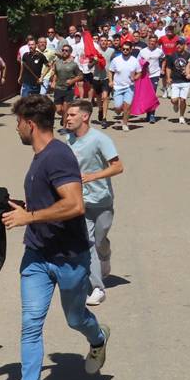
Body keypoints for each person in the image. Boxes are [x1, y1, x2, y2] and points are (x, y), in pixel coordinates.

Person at [1, 96, 110, 380]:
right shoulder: (41, 156)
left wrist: (30, 217)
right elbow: (49, 201)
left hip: (69, 258)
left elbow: (75, 205)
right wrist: (16, 207)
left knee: (75, 318)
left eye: (18, 122)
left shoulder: (58, 155)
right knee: (31, 324)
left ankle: (98, 338)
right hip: (37, 254)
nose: (16, 128)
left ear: (30, 124)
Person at [65, 101, 124, 305]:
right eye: (67, 115)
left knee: (100, 241)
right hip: (80, 201)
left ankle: (105, 256)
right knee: (88, 242)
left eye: (72, 115)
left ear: (85, 116)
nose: (68, 118)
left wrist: (93, 176)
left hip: (102, 200)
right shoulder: (68, 139)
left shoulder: (100, 139)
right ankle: (98, 288)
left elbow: (118, 167)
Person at [107, 42, 140, 131]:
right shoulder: (116, 60)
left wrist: (135, 78)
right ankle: (118, 110)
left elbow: (139, 72)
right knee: (118, 107)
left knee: (127, 107)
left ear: (131, 50)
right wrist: (110, 81)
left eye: (127, 49)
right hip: (118, 87)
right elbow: (110, 71)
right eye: (123, 49)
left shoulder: (134, 60)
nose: (125, 51)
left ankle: (125, 124)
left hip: (129, 87)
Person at [50, 44, 81, 129]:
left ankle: (64, 127)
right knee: (59, 110)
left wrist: (72, 81)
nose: (64, 52)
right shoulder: (57, 63)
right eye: (63, 50)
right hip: (58, 88)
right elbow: (55, 74)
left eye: (66, 50)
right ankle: (64, 117)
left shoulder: (74, 64)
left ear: (70, 52)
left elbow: (80, 76)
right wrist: (53, 82)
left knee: (66, 109)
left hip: (69, 89)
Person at [164, 39, 190, 123]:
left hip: (185, 81)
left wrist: (189, 73)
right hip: (175, 81)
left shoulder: (189, 55)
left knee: (183, 100)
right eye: (177, 44)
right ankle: (175, 104)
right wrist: (168, 78)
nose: (178, 46)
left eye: (180, 44)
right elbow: (168, 67)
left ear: (184, 45)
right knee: (174, 100)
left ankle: (181, 116)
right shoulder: (172, 55)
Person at [139, 35, 164, 123]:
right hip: (145, 76)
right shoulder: (142, 51)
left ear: (156, 42)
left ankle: (152, 114)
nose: (152, 43)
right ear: (148, 42)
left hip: (155, 75)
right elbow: (138, 62)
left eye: (154, 41)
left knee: (153, 95)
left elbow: (164, 59)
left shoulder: (159, 51)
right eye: (151, 41)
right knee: (147, 96)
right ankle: (148, 114)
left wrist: (162, 69)